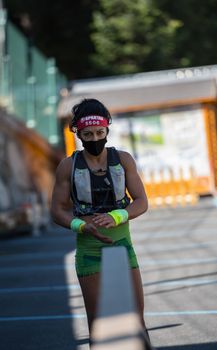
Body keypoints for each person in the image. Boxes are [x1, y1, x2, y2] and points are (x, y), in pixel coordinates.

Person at [50, 98, 149, 342]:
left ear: (107, 130)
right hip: (89, 250)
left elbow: (141, 202)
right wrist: (81, 225)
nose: (95, 139)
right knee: (98, 322)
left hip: (122, 246)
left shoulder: (123, 160)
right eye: (88, 134)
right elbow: (57, 211)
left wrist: (117, 216)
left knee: (136, 319)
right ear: (78, 133)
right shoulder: (67, 166)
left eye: (100, 132)